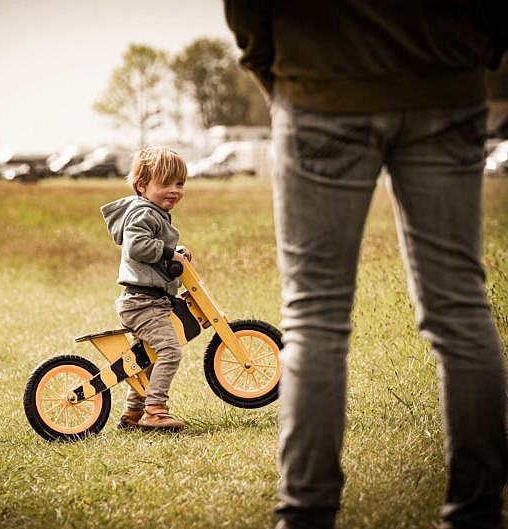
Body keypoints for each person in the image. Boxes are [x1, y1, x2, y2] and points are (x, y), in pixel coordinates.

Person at [223, 2, 508, 528]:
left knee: (315, 318)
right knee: (461, 311)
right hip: (446, 82)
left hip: (323, 83)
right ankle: (478, 514)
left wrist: (273, 64)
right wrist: (473, 52)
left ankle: (305, 515)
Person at [100, 145, 191, 431]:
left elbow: (154, 246)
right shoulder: (144, 213)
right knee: (169, 351)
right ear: (142, 186)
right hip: (143, 303)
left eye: (180, 184)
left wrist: (176, 251)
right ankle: (155, 409)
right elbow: (137, 246)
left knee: (145, 358)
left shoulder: (152, 212)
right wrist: (168, 253)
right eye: (166, 184)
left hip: (147, 301)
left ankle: (133, 413)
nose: (175, 190)